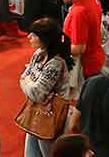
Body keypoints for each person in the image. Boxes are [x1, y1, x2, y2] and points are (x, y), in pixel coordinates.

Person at [20, 18, 72, 157]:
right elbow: (23, 78)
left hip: (51, 117)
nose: (29, 37)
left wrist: (27, 80)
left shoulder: (56, 63)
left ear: (44, 38)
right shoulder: (38, 54)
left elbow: (36, 93)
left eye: (34, 35)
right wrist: (27, 81)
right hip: (35, 112)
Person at [56, 0, 105, 79]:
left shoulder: (79, 12)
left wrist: (56, 48)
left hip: (85, 65)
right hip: (96, 56)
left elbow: (78, 48)